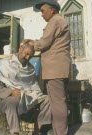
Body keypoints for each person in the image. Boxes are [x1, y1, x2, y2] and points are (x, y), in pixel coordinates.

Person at [27, 0, 71, 134]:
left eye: (43, 11)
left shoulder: (55, 21)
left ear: (51, 9)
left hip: (55, 69)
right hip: (58, 67)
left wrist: (31, 43)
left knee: (57, 103)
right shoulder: (59, 21)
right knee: (57, 101)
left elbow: (44, 43)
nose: (41, 14)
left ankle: (61, 132)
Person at [0, 40, 51, 135]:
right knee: (13, 101)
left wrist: (33, 94)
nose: (27, 58)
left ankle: (38, 129)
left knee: (47, 99)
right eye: (26, 54)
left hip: (26, 96)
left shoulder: (30, 68)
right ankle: (15, 132)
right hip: (5, 98)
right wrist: (10, 92)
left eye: (30, 56)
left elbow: (33, 86)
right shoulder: (4, 64)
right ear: (20, 49)